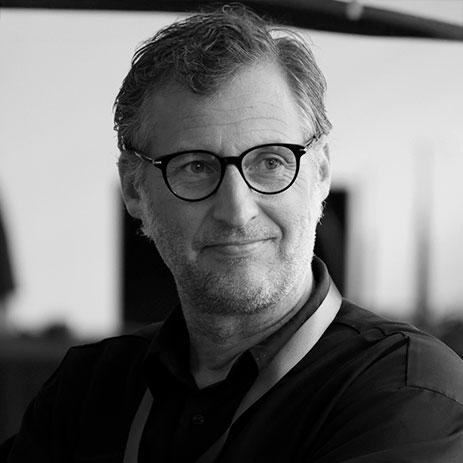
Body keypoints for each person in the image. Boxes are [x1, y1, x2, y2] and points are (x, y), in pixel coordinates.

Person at [2, 5, 463, 462]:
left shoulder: (406, 392)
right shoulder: (87, 390)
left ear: (320, 172)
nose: (237, 211)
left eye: (270, 162)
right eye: (195, 167)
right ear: (134, 189)